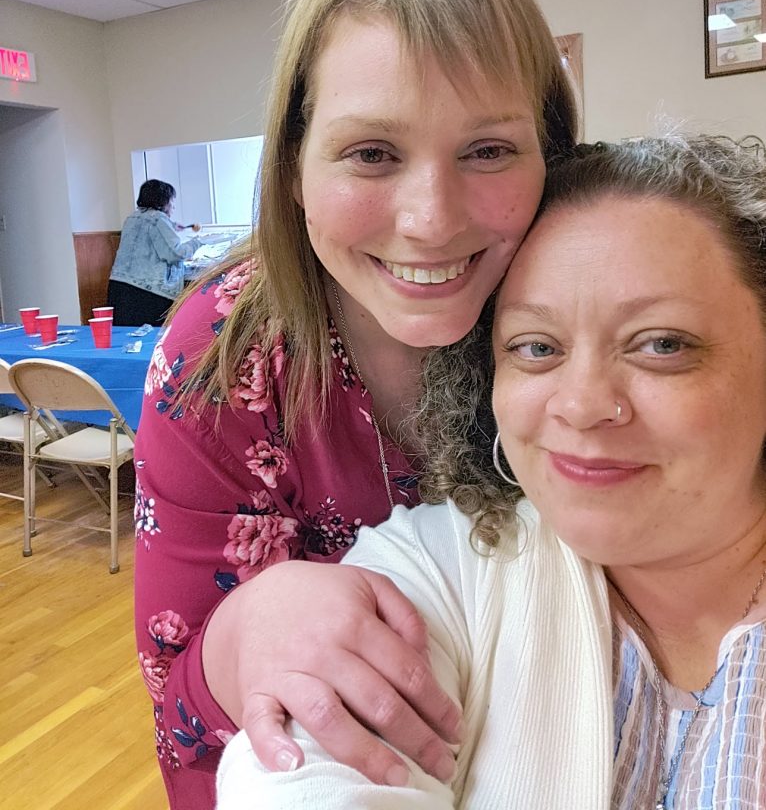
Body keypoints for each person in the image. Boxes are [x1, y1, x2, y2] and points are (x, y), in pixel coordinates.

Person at [133, 0, 578, 809]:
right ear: (294, 167)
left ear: (553, 157)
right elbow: (181, 716)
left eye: (487, 150)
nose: (430, 218)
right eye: (372, 153)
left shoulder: (592, 307)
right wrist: (241, 638)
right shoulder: (219, 364)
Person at [215, 133, 766, 810]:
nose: (582, 404)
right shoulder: (443, 568)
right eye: (536, 347)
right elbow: (308, 775)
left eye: (662, 345)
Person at [108, 178, 202, 326]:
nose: (173, 206)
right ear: (163, 201)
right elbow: (176, 253)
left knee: (127, 336)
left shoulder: (132, 217)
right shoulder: (158, 220)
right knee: (150, 339)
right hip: (146, 293)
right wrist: (198, 242)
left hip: (119, 287)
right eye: (172, 201)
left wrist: (171, 226)